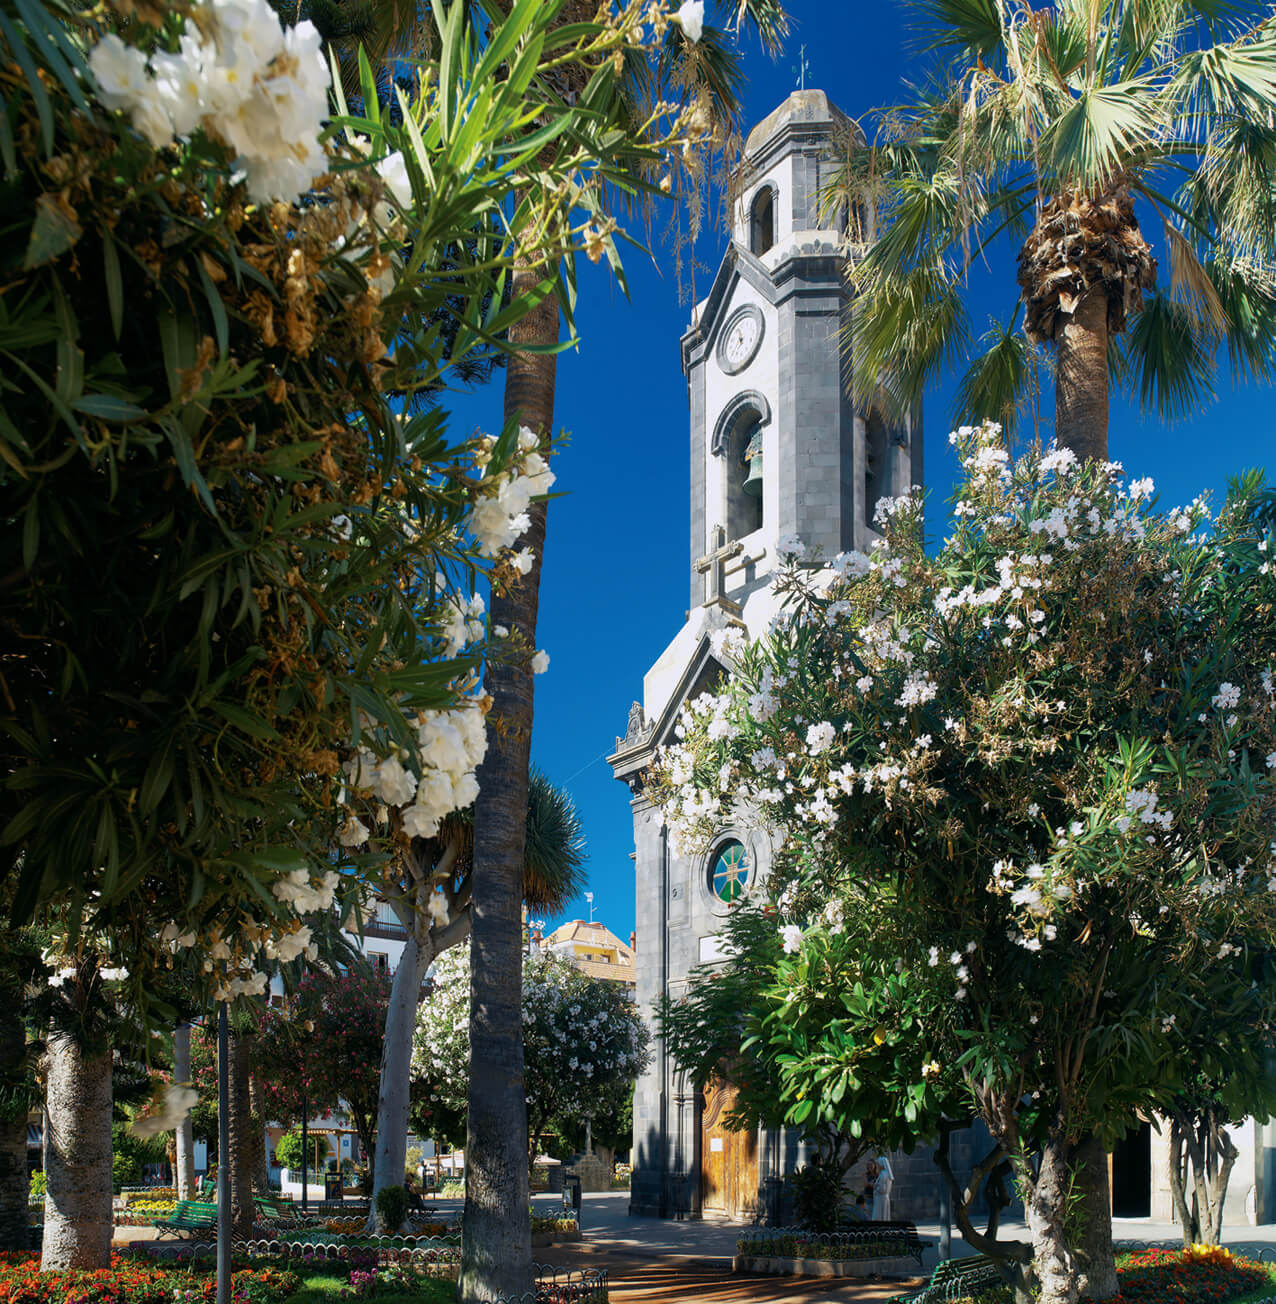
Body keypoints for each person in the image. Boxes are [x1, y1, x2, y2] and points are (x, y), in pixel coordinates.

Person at [870, 1151, 894, 1220]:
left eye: (878, 1164)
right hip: (883, 1198)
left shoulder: (883, 1175)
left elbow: (882, 1189)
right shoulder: (886, 1173)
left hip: (880, 1198)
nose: (878, 1165)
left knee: (879, 1216)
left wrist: (874, 1186)